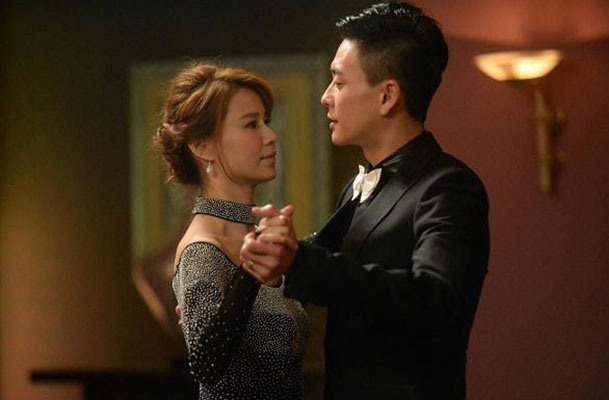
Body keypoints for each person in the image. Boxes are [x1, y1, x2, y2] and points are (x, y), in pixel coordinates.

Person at [240, 2, 489, 399]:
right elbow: (320, 268)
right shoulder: (358, 188)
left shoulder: (449, 187)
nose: (326, 97)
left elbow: (435, 300)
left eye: (338, 83)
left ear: (387, 96)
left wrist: (299, 260)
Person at [154, 61, 309, 399]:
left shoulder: (250, 237)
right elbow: (206, 365)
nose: (271, 136)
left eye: (266, 122)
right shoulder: (203, 248)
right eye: (251, 124)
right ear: (202, 146)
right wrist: (251, 269)